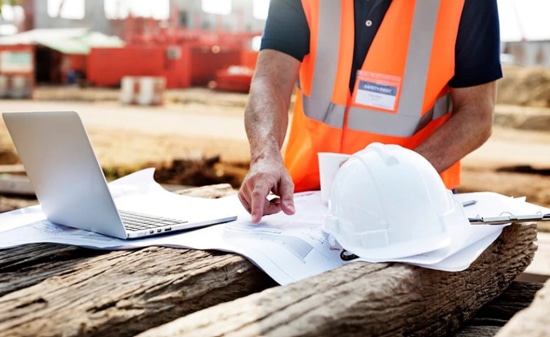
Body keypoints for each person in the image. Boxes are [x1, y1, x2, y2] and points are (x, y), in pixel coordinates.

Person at [238, 0, 503, 223]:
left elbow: (477, 115)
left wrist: (393, 177)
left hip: (413, 203)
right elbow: (270, 79)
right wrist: (265, 156)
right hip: (308, 201)